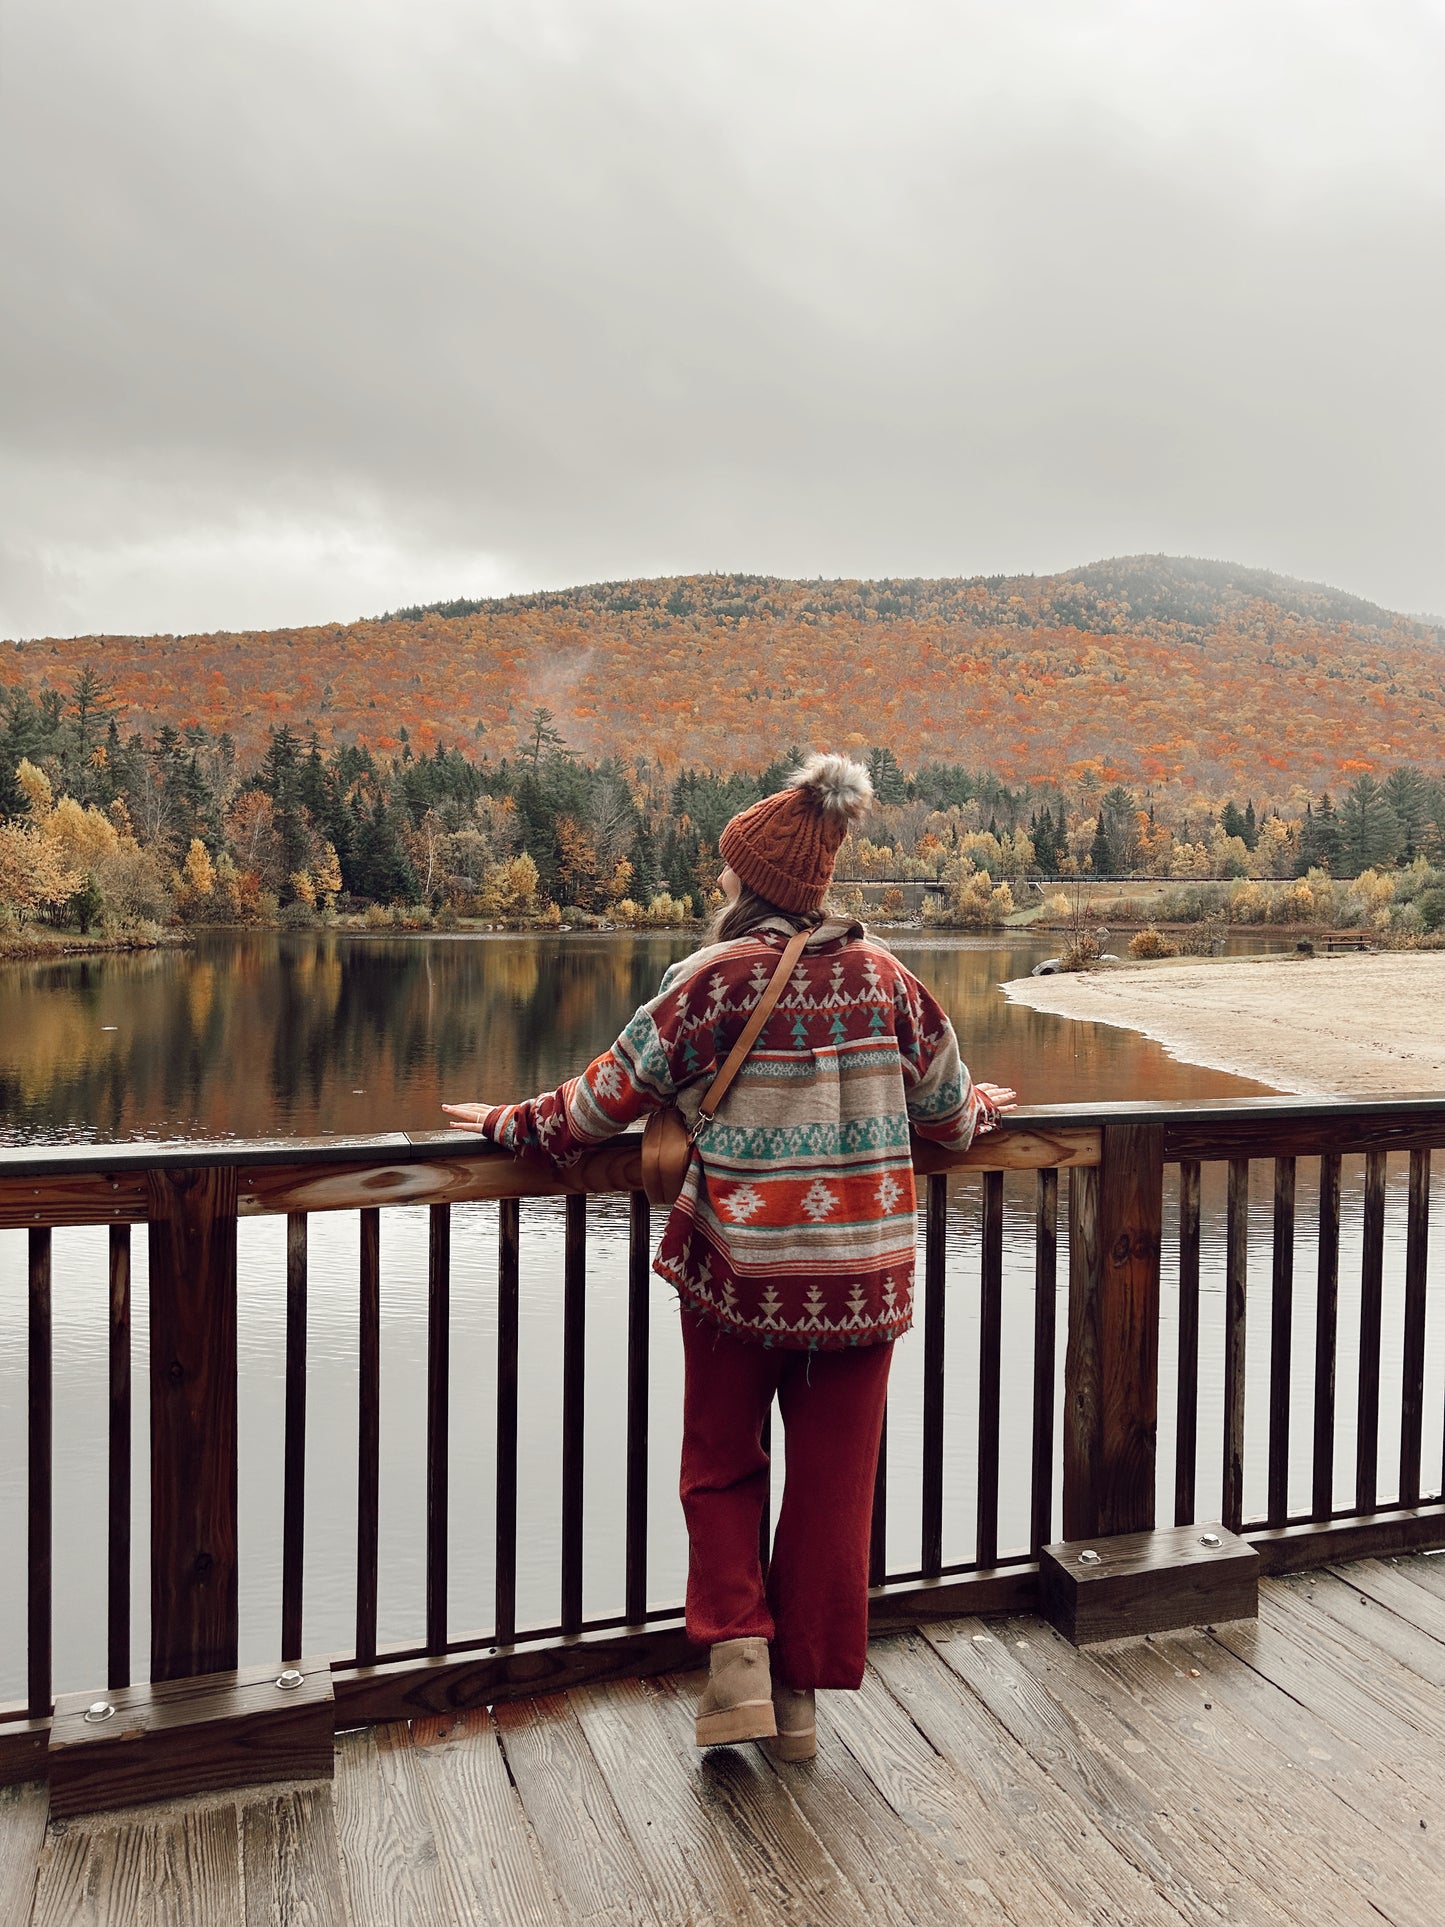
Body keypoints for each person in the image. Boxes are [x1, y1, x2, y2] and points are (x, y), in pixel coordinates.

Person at [445, 752, 1016, 1762]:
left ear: (751, 880)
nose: (717, 882)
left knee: (719, 1465)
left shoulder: (707, 982)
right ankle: (796, 1702)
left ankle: (736, 1667)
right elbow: (948, 1119)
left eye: (726, 869)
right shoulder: (890, 982)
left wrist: (502, 1120)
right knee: (834, 1489)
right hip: (861, 1282)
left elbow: (594, 1106)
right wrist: (976, 1106)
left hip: (738, 1272)